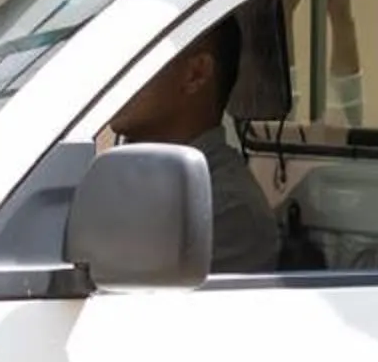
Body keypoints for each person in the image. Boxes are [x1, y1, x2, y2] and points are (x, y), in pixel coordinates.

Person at [114, 14, 281, 273]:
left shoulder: (226, 209)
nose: (113, 73)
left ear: (196, 73)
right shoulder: (123, 177)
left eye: (134, 58)